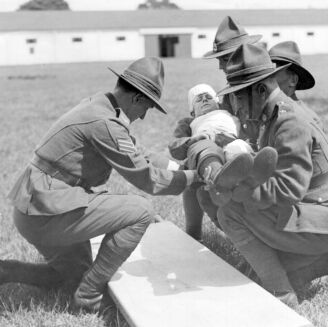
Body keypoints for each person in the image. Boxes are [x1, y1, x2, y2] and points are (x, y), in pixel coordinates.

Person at [0, 57, 204, 312]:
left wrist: (182, 168)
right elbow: (147, 178)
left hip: (37, 207)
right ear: (137, 99)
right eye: (148, 108)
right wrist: (194, 178)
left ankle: (8, 271)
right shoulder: (106, 124)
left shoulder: (102, 107)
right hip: (46, 211)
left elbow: (141, 154)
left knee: (71, 278)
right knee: (141, 211)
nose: (142, 116)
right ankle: (89, 297)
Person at [215, 44, 328, 307]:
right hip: (317, 214)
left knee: (229, 212)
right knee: (259, 267)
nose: (237, 106)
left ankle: (282, 293)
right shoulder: (277, 113)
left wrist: (241, 192)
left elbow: (288, 188)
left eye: (240, 97)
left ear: (261, 90)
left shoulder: (288, 121)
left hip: (319, 219)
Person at [175, 16, 263, 241]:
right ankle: (197, 231)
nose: (220, 66)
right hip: (228, 153)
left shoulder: (262, 86)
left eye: (224, 59)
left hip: (261, 156)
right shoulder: (229, 94)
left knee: (238, 157)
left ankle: (251, 230)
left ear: (239, 56)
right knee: (194, 172)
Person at [168, 84, 277, 237]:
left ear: (217, 102)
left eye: (208, 97)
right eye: (198, 100)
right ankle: (217, 179)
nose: (205, 100)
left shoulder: (229, 114)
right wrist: (193, 140)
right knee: (206, 150)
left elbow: (248, 131)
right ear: (192, 110)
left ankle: (254, 173)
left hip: (230, 147)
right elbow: (175, 147)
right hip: (206, 151)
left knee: (239, 148)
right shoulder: (190, 123)